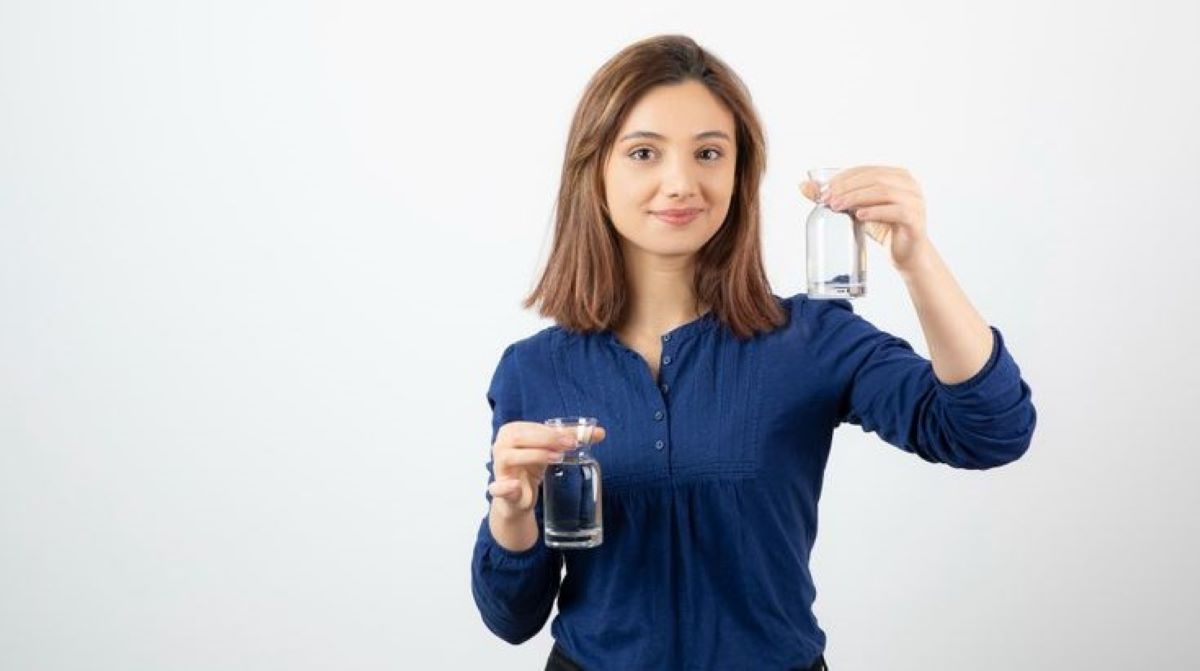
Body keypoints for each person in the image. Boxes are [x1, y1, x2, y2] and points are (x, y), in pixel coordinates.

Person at [469, 34, 1037, 671]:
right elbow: (510, 618)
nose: (680, 183)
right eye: (644, 153)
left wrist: (916, 258)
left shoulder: (810, 340)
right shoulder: (532, 370)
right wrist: (511, 514)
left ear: (739, 175)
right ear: (594, 172)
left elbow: (991, 431)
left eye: (708, 153)